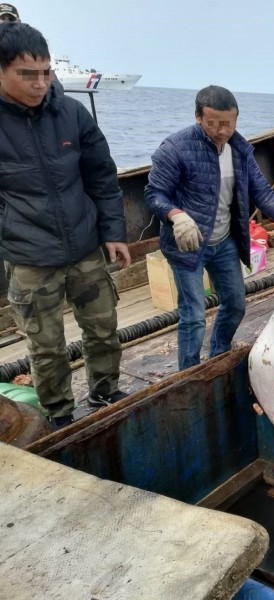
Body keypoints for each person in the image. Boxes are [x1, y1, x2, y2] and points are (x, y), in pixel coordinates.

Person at [0, 23, 131, 429]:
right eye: (27, 74)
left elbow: (102, 176)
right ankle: (58, 413)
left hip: (85, 245)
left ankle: (105, 390)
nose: (40, 83)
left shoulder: (72, 113)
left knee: (104, 328)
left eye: (46, 72)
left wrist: (113, 232)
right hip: (29, 257)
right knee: (46, 346)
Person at [145, 86, 274, 371]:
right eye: (213, 123)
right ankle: (189, 372)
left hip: (224, 241)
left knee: (235, 303)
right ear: (198, 117)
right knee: (193, 316)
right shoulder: (175, 148)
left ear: (236, 119)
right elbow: (154, 194)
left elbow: (263, 195)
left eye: (228, 124)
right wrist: (177, 216)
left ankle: (219, 355)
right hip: (187, 246)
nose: (222, 131)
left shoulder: (240, 151)